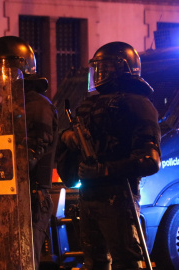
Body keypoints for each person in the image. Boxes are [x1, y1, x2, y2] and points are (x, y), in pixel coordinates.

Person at [58, 42, 161, 270]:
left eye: (106, 68)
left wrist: (104, 169)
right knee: (94, 262)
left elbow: (150, 160)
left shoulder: (138, 104)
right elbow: (70, 136)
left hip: (118, 195)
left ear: (123, 68)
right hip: (88, 195)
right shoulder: (91, 103)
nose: (100, 74)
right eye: (98, 68)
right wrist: (68, 137)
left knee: (125, 261)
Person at [0, 36, 58, 270]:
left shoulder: (36, 106)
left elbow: (27, 157)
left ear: (18, 71)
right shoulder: (1, 109)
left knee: (18, 263)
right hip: (0, 201)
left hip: (28, 199)